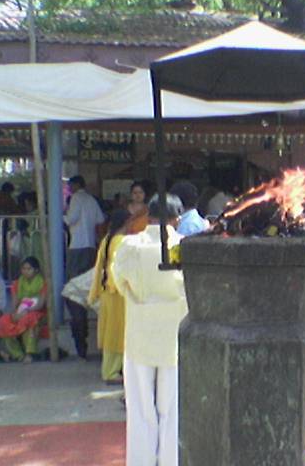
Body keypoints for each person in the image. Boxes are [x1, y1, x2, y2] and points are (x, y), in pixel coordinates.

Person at [112, 193, 187, 466]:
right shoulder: (185, 247)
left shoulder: (130, 246)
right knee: (172, 410)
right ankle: (170, 461)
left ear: (149, 216)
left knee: (141, 408)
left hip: (139, 336)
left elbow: (119, 283)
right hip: (174, 340)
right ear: (177, 218)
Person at [64, 175, 105, 359]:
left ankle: (80, 331)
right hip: (90, 247)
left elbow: (71, 219)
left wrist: (61, 215)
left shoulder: (76, 199)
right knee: (88, 286)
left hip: (76, 246)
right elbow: (99, 219)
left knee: (74, 289)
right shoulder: (91, 200)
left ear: (75, 185)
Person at [88, 209, 130, 383]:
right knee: (118, 334)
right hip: (117, 292)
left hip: (108, 291)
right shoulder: (121, 241)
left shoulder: (107, 239)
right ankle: (111, 372)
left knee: (111, 333)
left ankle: (112, 370)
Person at [0, 257, 47, 363]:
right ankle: (17, 354)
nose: (25, 271)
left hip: (36, 311)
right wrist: (15, 314)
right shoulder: (17, 283)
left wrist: (28, 310)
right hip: (20, 311)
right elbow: (15, 302)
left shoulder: (42, 283)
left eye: (29, 269)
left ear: (36, 270)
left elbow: (41, 304)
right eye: (23, 269)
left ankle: (30, 353)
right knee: (4, 321)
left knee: (28, 319)